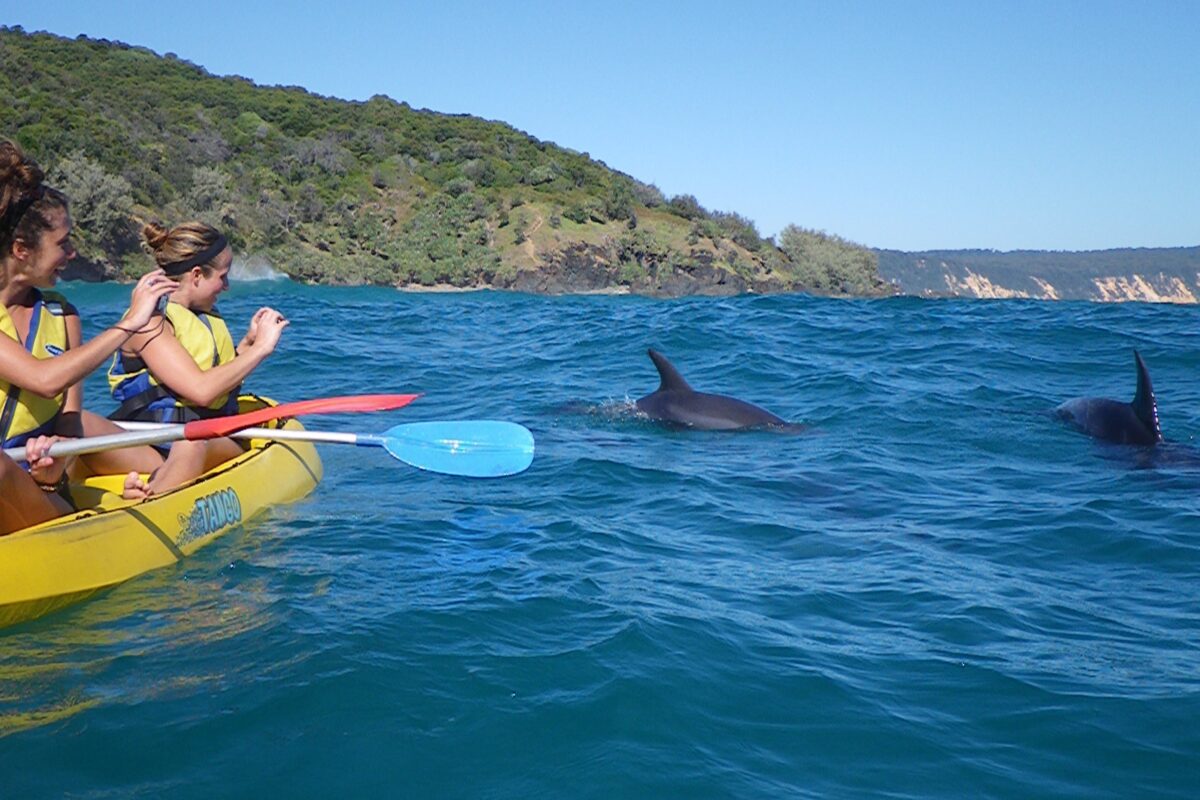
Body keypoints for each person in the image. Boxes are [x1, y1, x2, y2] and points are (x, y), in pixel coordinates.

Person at [0, 139, 175, 535]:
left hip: (42, 492)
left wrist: (51, 473)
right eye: (63, 244)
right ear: (21, 249)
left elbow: (69, 424)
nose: (73, 253)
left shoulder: (63, 316)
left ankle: (149, 492)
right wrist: (127, 324)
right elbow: (44, 380)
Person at [108, 220, 288, 498]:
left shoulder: (203, 314)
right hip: (151, 442)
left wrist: (246, 346)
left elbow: (210, 383)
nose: (226, 286)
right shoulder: (149, 321)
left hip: (205, 440)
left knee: (191, 442)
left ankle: (149, 497)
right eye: (222, 276)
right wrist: (260, 349)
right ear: (195, 276)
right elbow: (201, 390)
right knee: (75, 423)